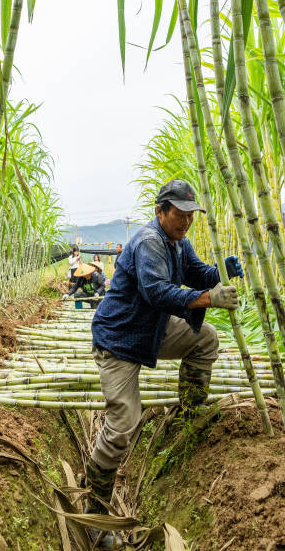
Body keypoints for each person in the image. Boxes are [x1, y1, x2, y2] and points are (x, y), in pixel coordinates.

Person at [82, 179, 243, 548]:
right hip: (120, 340)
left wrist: (222, 271)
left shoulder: (178, 243)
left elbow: (198, 273)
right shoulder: (149, 242)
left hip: (150, 332)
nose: (187, 221)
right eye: (180, 214)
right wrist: (208, 298)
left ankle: (187, 415)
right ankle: (95, 506)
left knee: (206, 338)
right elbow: (157, 292)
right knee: (123, 424)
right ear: (161, 212)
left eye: (191, 215)